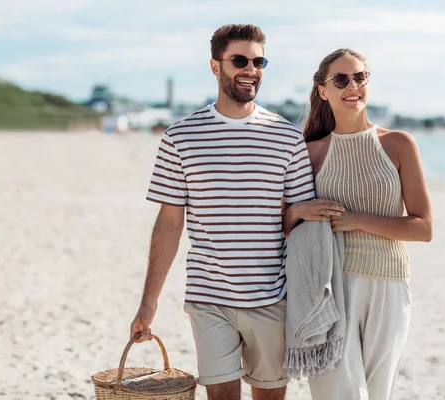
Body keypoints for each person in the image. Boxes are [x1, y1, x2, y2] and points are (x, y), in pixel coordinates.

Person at [129, 24, 339, 400]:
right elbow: (169, 222)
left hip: (273, 296)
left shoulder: (286, 136)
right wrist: (149, 301)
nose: (250, 69)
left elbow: (300, 222)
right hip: (208, 296)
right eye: (239, 60)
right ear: (215, 66)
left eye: (259, 62)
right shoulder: (180, 137)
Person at [283, 49, 433, 399]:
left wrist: (356, 220)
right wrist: (297, 212)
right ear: (323, 90)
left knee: (379, 393)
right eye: (341, 79)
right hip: (331, 284)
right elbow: (284, 222)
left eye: (360, 77)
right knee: (337, 394)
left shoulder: (397, 144)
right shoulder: (309, 152)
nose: (353, 86)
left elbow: (423, 227)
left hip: (389, 283)